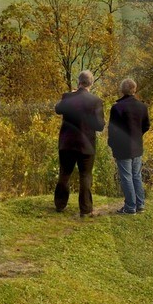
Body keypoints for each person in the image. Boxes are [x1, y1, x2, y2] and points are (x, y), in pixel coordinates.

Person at [54, 69, 106, 217]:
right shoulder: (96, 101)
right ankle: (86, 209)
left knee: (64, 173)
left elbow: (58, 109)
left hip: (67, 143)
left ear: (79, 81)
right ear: (91, 83)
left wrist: (70, 94)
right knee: (85, 175)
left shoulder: (67, 97)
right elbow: (99, 126)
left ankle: (60, 204)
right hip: (86, 145)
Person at [108, 78, 152, 214]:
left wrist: (112, 144)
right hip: (137, 146)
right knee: (136, 176)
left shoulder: (117, 107)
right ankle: (140, 204)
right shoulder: (142, 106)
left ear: (122, 90)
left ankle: (130, 207)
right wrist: (138, 135)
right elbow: (146, 126)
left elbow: (113, 130)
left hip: (123, 147)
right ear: (135, 89)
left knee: (126, 177)